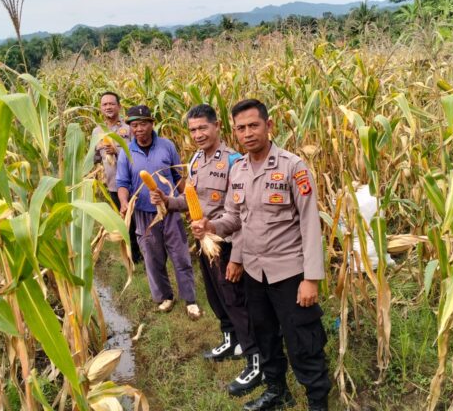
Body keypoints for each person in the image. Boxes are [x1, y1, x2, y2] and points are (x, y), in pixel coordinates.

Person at [192, 99, 331, 411]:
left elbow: (310, 224)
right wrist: (211, 226)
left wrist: (311, 278)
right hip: (255, 272)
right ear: (234, 132)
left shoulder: (292, 167)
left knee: (303, 341)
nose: (247, 133)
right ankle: (277, 391)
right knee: (264, 335)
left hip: (289, 273)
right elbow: (234, 218)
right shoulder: (238, 170)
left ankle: (318, 401)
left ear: (269, 126)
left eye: (253, 125)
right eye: (241, 128)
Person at [149, 104, 261, 396]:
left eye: (203, 128)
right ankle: (231, 340)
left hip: (228, 243)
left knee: (236, 301)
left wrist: (235, 256)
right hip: (204, 241)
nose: (198, 134)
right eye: (193, 130)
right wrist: (167, 201)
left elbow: (243, 213)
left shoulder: (235, 162)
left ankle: (256, 359)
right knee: (216, 297)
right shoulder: (197, 160)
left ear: (217, 126)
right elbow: (191, 202)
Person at [116, 105, 202, 319]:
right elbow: (123, 183)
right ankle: (165, 297)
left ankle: (190, 299)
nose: (138, 129)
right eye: (134, 125)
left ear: (152, 124)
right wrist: (124, 202)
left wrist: (188, 204)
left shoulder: (167, 146)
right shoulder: (126, 151)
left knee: (180, 256)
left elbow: (178, 178)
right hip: (144, 213)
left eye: (142, 124)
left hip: (170, 210)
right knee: (152, 258)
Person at [92, 91, 142, 263]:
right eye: (104, 104)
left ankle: (144, 253)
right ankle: (131, 254)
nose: (108, 107)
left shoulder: (129, 128)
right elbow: (95, 157)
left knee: (137, 220)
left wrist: (118, 150)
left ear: (119, 106)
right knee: (123, 221)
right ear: (101, 108)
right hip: (112, 184)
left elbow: (138, 153)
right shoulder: (97, 131)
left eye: (111, 104)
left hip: (133, 182)